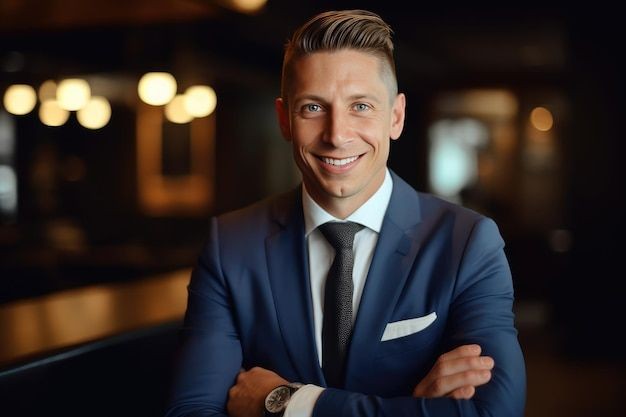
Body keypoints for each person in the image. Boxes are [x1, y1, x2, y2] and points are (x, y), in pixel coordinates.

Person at [165, 9, 526, 417]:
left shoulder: (468, 242)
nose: (337, 135)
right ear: (284, 119)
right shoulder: (229, 245)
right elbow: (190, 412)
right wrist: (408, 407)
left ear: (396, 116)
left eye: (361, 106)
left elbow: (492, 412)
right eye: (313, 108)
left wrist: (290, 403)